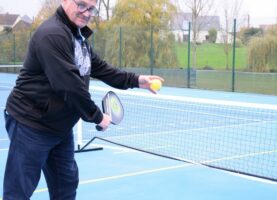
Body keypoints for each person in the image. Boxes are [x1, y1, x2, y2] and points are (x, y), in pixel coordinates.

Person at [2, 0, 164, 199]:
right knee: (18, 191)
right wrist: (97, 117)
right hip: (30, 124)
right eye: (81, 5)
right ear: (66, 1)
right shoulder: (52, 35)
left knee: (66, 186)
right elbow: (69, 86)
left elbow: (102, 68)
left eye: (91, 8)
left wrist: (138, 81)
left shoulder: (77, 37)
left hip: (59, 127)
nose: (86, 13)